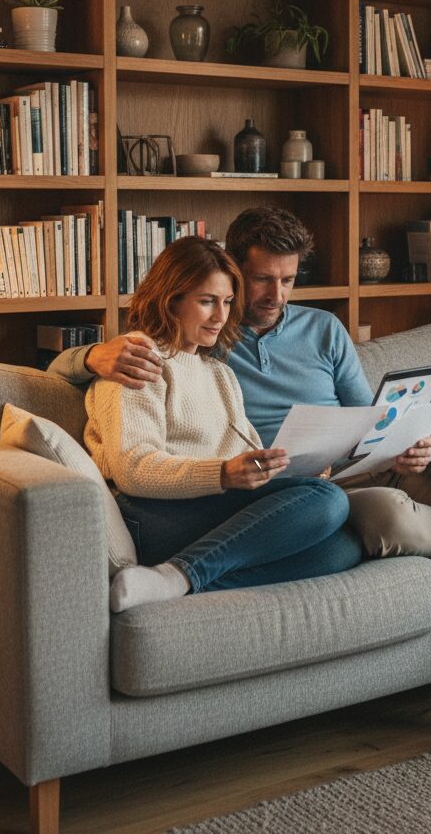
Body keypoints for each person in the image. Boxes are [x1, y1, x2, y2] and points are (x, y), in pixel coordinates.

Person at [50, 208, 431, 781]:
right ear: (231, 270)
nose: (274, 297)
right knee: (374, 524)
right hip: (295, 490)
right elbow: (109, 392)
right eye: (259, 281)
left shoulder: (317, 331)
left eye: (287, 281)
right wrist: (91, 355)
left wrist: (403, 441)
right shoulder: (202, 345)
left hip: (367, 465)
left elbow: (367, 416)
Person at [83, 234, 362, 614]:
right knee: (327, 500)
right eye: (207, 301)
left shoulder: (218, 373)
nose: (221, 316)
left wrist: (284, 467)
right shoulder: (139, 357)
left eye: (228, 302)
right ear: (171, 300)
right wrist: (224, 474)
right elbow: (132, 469)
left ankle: (180, 583)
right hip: (152, 514)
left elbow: (243, 454)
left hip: (210, 507)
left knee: (341, 549)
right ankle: (178, 574)